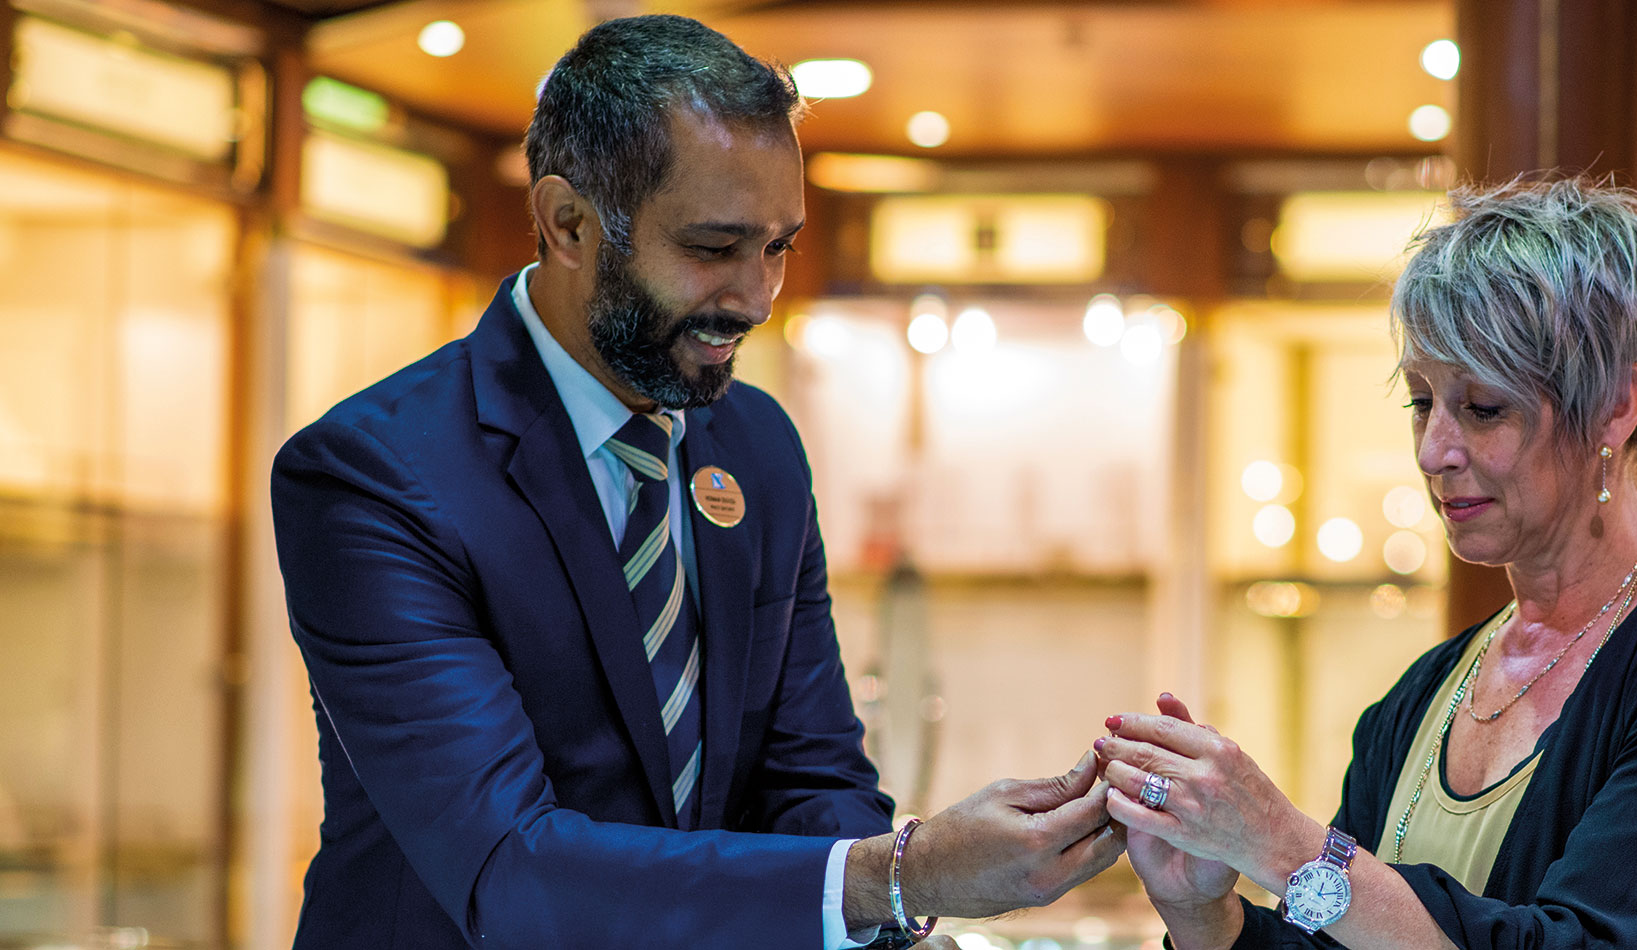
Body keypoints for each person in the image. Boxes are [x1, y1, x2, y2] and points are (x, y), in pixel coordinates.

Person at [271, 16, 1121, 949]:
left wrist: (895, 921)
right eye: (714, 249)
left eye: (779, 246)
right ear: (568, 224)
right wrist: (901, 874)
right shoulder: (375, 476)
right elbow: (510, 869)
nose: (758, 297)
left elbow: (810, 780)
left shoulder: (755, 444)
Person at [1091, 178, 1637, 949]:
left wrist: (1280, 841)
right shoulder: (1427, 693)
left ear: (1615, 404)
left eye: (1482, 409)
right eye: (1420, 403)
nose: (1435, 451)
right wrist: (1205, 909)